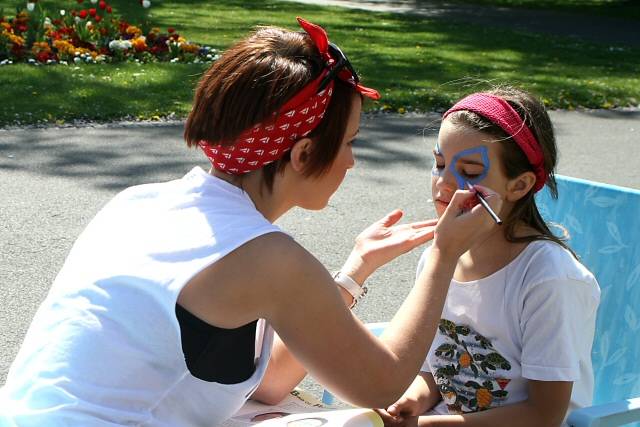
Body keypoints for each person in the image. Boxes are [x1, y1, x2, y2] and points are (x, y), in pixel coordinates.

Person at [0, 18, 501, 427]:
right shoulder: (267, 257)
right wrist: (443, 253)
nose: (352, 163)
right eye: (349, 143)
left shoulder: (140, 202)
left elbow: (265, 383)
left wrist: (355, 271)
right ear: (303, 153)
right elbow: (382, 382)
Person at [376, 88, 601, 427]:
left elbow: (545, 415)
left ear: (519, 185)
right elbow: (439, 371)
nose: (443, 183)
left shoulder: (549, 278)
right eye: (439, 163)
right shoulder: (441, 258)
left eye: (468, 171)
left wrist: (425, 425)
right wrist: (412, 401)